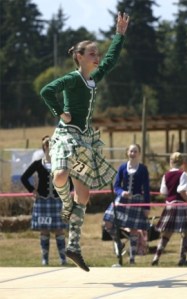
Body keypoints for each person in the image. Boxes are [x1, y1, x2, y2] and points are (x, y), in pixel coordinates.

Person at [40, 12, 129, 272]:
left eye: (96, 53)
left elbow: (111, 59)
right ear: (79, 56)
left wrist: (119, 35)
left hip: (85, 138)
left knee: (85, 195)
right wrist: (60, 113)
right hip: (67, 134)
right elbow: (47, 91)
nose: (97, 56)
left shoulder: (93, 79)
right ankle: (66, 204)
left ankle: (74, 246)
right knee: (59, 177)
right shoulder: (72, 79)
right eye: (92, 53)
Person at [21, 136, 68, 266]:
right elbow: (24, 178)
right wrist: (32, 190)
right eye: (50, 146)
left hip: (58, 200)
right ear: (45, 147)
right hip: (42, 201)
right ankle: (45, 259)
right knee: (44, 230)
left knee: (59, 229)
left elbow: (70, 178)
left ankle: (63, 259)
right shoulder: (37, 163)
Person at [103, 144, 150, 265]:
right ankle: (118, 242)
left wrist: (146, 207)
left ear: (139, 153)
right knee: (107, 221)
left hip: (137, 200)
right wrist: (122, 192)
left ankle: (132, 259)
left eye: (135, 151)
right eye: (131, 151)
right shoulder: (122, 167)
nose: (133, 153)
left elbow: (146, 189)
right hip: (122, 200)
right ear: (127, 153)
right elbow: (116, 186)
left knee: (134, 229)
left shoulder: (143, 169)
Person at [151, 152, 187, 266]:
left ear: (171, 162)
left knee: (167, 233)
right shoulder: (183, 174)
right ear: (182, 162)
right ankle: (182, 258)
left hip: (169, 205)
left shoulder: (166, 175)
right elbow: (181, 190)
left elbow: (163, 192)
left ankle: (156, 257)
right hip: (180, 205)